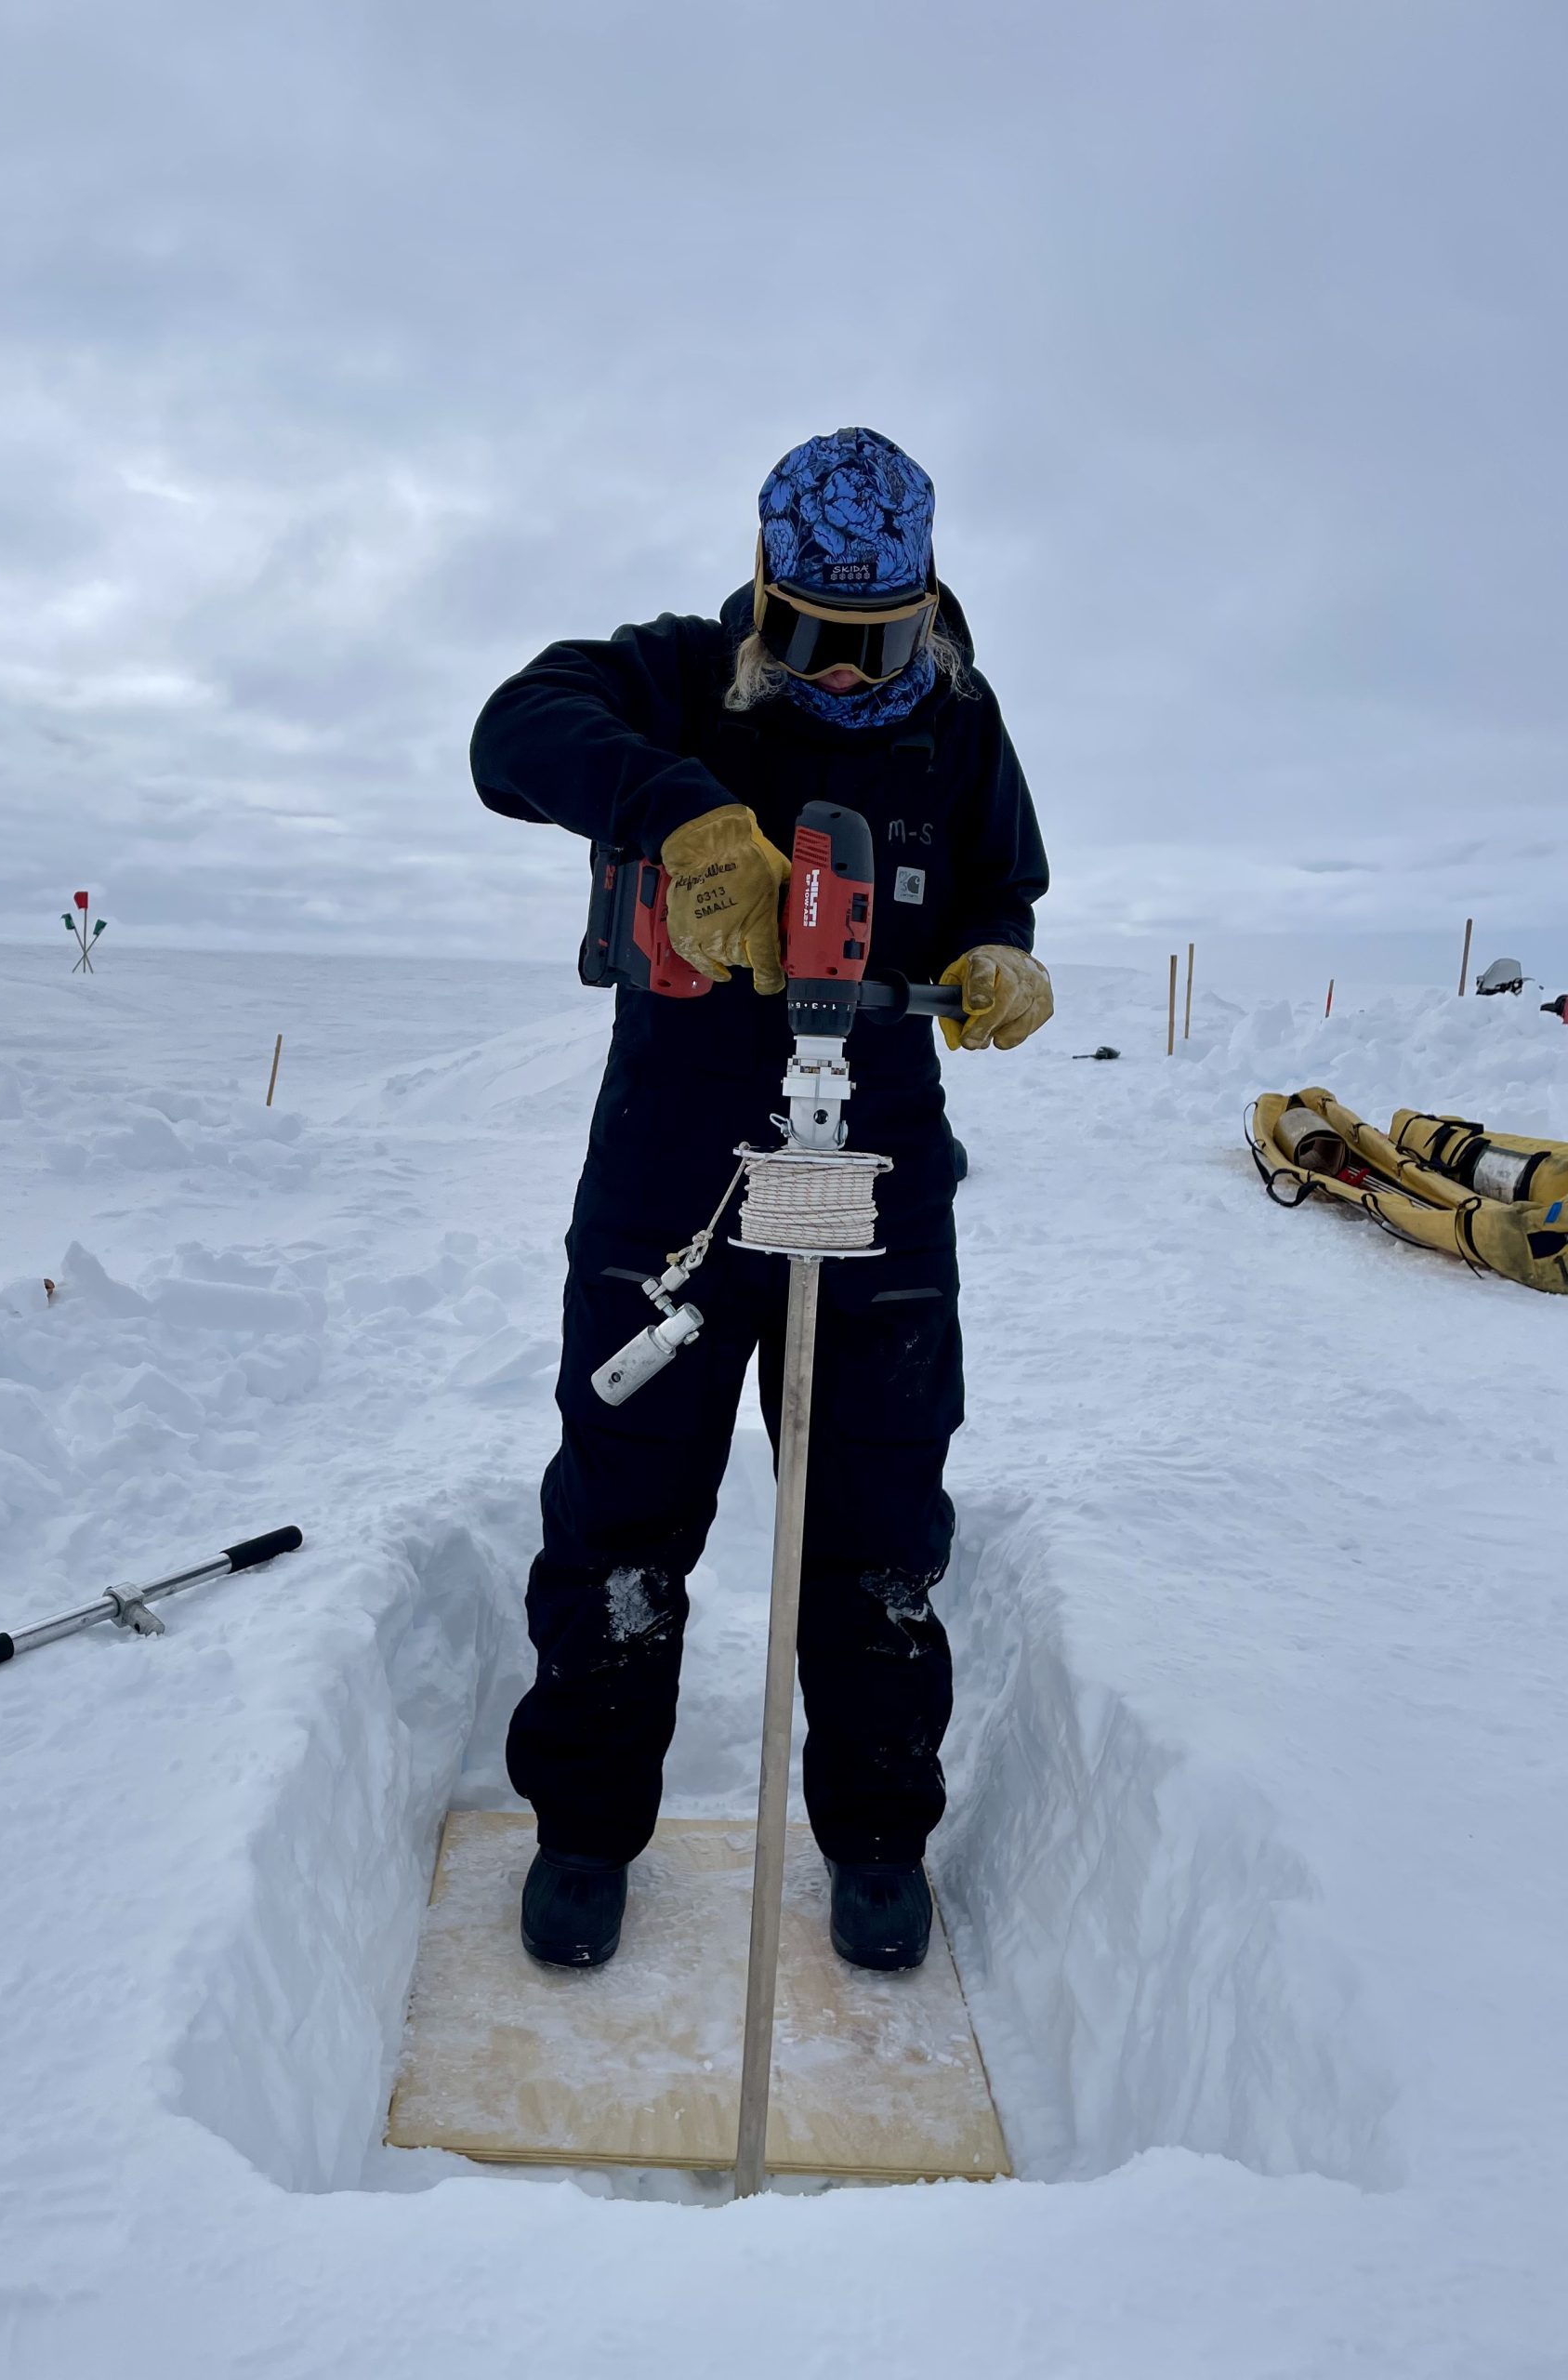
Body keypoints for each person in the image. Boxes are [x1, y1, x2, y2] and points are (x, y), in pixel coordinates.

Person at [470, 428, 1051, 1973]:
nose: (842, 678)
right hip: (675, 1165)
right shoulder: (670, 675)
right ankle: (586, 1830)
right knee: (625, 1504)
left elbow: (1005, 886)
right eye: (802, 637)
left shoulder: (964, 726)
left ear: (925, 611)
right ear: (757, 589)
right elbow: (512, 730)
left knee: (876, 1521)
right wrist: (676, 811)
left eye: (876, 645)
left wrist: (1001, 955)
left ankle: (876, 1843)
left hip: (876, 1178)